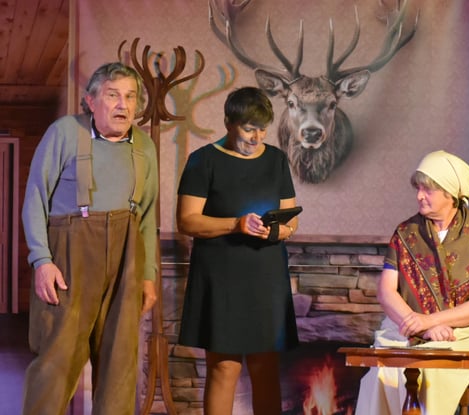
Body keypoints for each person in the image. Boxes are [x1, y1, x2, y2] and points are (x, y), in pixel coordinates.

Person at [21, 62, 159, 414]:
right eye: (113, 95)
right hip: (70, 259)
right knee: (56, 361)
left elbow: (146, 218)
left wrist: (148, 276)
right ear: (91, 101)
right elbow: (35, 198)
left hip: (126, 261)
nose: (123, 105)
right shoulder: (65, 132)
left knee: (120, 363)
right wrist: (42, 260)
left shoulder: (144, 146)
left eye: (130, 97)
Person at [176, 87, 299, 414]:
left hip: (266, 278)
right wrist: (236, 224)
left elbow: (290, 218)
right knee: (224, 367)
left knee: (265, 368)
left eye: (262, 129)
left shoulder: (276, 160)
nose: (256, 137)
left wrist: (278, 230)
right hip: (221, 278)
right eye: (248, 129)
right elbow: (187, 221)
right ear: (229, 123)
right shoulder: (203, 160)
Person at [355, 150, 469, 414]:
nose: (419, 196)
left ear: (450, 194)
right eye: (418, 189)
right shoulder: (406, 232)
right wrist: (420, 327)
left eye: (428, 190)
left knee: (427, 375)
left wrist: (430, 321)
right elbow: (386, 291)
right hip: (405, 330)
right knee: (381, 376)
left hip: (456, 336)